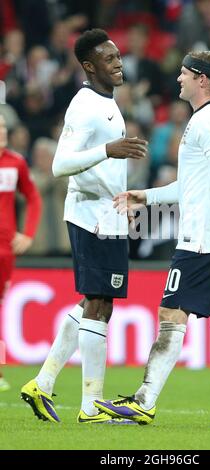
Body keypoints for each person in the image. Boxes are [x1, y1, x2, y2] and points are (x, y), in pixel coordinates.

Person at [95, 51, 210, 426]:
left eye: (185, 74)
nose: (178, 79)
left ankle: (144, 400)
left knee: (171, 315)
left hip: (204, 239)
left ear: (202, 79)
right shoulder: (206, 120)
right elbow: (192, 185)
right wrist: (147, 197)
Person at [21, 29, 147, 423]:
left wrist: (124, 198)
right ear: (89, 67)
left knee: (95, 303)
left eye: (118, 56)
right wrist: (109, 149)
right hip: (91, 218)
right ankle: (91, 408)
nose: (118, 62)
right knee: (99, 306)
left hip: (107, 216)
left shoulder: (106, 102)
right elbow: (60, 165)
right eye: (109, 59)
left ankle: (41, 384)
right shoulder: (85, 106)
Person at [0, 112, 42, 392]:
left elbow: (33, 197)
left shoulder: (15, 163)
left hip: (5, 250)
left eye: (4, 127)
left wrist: (28, 234)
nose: (3, 132)